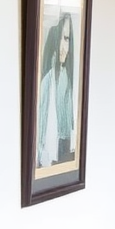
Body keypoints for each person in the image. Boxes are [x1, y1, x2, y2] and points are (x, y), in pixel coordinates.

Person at [37, 11, 75, 167]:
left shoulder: (70, 83)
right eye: (59, 38)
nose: (62, 47)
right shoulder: (47, 82)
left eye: (66, 39)